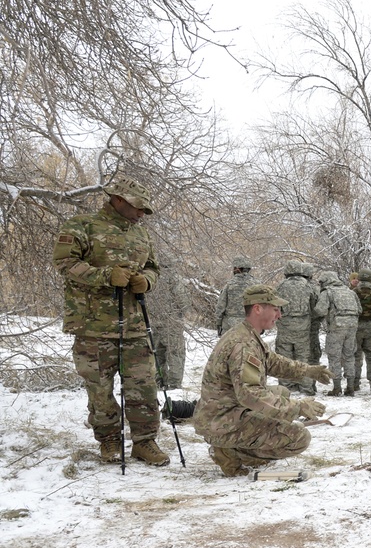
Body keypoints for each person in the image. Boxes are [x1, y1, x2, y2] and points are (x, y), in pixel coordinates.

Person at [52, 174, 169, 466]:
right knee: (100, 390)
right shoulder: (82, 226)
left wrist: (148, 281)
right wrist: (105, 276)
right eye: (138, 207)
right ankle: (109, 441)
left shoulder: (141, 234)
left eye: (145, 209)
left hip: (134, 326)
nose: (142, 213)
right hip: (93, 326)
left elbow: (154, 268)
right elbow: (65, 263)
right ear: (117, 199)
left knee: (143, 388)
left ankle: (145, 442)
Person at [192, 284, 331, 477]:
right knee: (299, 438)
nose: (279, 315)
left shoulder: (246, 334)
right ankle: (232, 453)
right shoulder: (243, 344)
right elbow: (251, 394)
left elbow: (273, 362)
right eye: (275, 309)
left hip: (222, 410)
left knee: (282, 393)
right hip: (222, 420)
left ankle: (234, 447)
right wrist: (298, 408)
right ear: (257, 308)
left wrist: (307, 370)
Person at [275, 261, 320, 395]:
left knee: (284, 357)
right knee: (303, 357)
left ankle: (286, 387)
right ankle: (306, 387)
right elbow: (314, 307)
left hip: (285, 327)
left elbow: (275, 305)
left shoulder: (281, 286)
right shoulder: (308, 286)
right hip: (303, 327)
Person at [314, 270, 361, 396]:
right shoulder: (350, 292)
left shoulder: (327, 292)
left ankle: (337, 387)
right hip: (352, 326)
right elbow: (359, 309)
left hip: (336, 327)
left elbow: (320, 311)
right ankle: (350, 387)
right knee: (349, 355)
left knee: (334, 357)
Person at [147, 254, 190, 390]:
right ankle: (174, 384)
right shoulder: (174, 278)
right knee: (175, 353)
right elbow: (182, 300)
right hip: (172, 321)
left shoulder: (152, 277)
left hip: (155, 322)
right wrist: (182, 312)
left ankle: (159, 381)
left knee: (158, 353)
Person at [353, 268, 371, 392]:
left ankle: (354, 382)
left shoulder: (354, 292)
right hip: (370, 325)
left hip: (356, 325)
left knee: (356, 355)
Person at [215, 256, 257, 336]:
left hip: (230, 326)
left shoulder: (229, 285)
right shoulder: (257, 284)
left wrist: (218, 323)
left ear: (237, 269)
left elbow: (220, 307)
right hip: (251, 325)